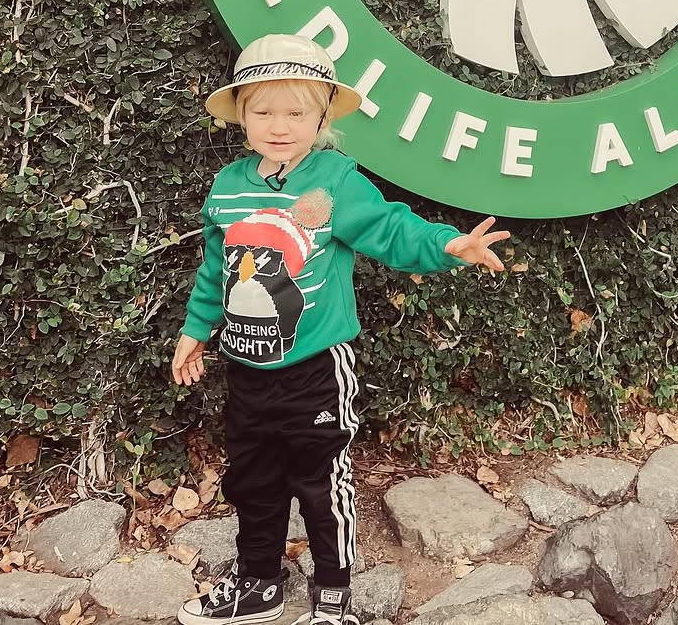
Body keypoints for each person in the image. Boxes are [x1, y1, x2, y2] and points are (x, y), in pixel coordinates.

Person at [172, 34, 510, 625]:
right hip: (247, 369)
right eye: (264, 111)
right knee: (252, 478)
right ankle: (258, 583)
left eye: (296, 112)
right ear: (242, 115)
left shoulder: (336, 181)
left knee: (320, 480)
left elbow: (391, 229)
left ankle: (333, 594)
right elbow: (216, 268)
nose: (280, 126)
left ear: (322, 115)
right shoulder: (228, 186)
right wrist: (196, 329)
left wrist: (448, 244)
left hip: (317, 369)